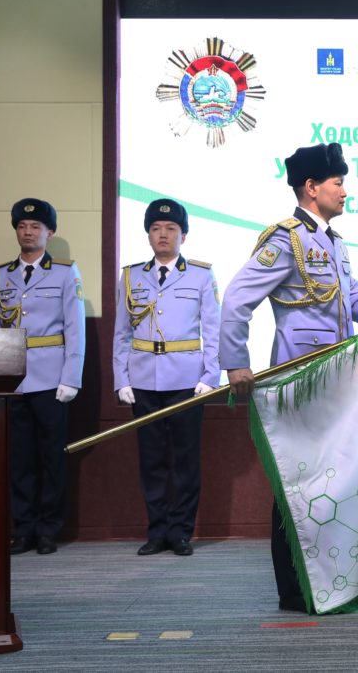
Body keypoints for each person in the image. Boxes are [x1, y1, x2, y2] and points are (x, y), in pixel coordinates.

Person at [220, 142, 358, 611]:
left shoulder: (334, 242)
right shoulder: (284, 239)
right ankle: (295, 589)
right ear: (311, 187)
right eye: (337, 183)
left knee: (333, 483)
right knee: (297, 486)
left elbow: (353, 298)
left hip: (336, 384)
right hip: (301, 384)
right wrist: (236, 363)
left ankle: (331, 581)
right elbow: (236, 300)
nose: (345, 191)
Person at [113, 198, 221, 557]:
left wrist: (211, 375)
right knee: (151, 460)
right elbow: (121, 333)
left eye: (171, 228)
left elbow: (213, 330)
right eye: (156, 229)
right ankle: (157, 531)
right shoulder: (131, 276)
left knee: (186, 461)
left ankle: (180, 532)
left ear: (183, 236)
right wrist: (121, 378)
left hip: (187, 381)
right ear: (148, 235)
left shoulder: (201, 275)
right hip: (143, 379)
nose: (163, 234)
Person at [0, 198, 86, 555]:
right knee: (19, 459)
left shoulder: (65, 272)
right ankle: (23, 527)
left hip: (51, 380)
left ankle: (48, 529)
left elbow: (75, 329)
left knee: (51, 457)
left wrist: (71, 377)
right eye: (22, 226)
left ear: (49, 232)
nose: (28, 232)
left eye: (36, 227)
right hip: (14, 381)